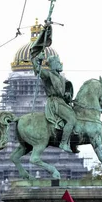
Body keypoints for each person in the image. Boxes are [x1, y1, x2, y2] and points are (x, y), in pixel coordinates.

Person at [31, 24, 76, 154]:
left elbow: (65, 94)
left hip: (62, 102)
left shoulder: (62, 78)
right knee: (72, 119)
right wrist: (36, 62)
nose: (60, 64)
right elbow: (39, 71)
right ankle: (63, 142)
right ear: (52, 65)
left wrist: (68, 97)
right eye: (58, 62)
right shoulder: (48, 74)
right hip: (55, 103)